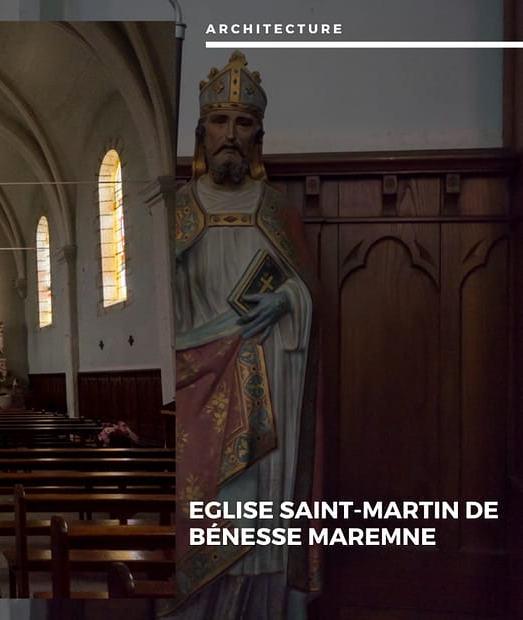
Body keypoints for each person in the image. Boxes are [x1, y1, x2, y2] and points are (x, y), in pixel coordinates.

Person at [159, 51, 322, 619]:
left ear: (258, 135)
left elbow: (310, 296)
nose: (231, 134)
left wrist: (286, 299)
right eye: (220, 121)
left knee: (264, 521)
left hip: (273, 385)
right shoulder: (177, 211)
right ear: (201, 131)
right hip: (195, 390)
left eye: (244, 122)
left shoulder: (279, 211)